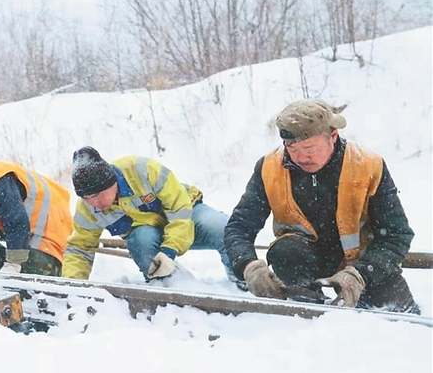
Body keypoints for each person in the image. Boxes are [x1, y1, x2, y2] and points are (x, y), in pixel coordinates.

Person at [224, 99, 420, 314]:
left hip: (364, 262)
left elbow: (396, 235)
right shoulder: (269, 168)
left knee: (400, 316)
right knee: (286, 252)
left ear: (333, 136)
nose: (300, 157)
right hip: (302, 260)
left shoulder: (369, 166)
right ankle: (306, 308)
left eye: (309, 148)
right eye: (292, 148)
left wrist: (361, 274)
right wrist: (248, 266)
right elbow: (239, 227)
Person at [62, 146, 240, 285]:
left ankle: (241, 281)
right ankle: (170, 289)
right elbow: (79, 247)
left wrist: (169, 250)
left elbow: (179, 208)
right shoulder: (88, 208)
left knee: (223, 228)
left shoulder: (143, 170)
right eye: (86, 198)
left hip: (187, 217)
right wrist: (72, 285)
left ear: (111, 182)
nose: (94, 202)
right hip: (151, 236)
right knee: (141, 240)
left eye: (97, 195)